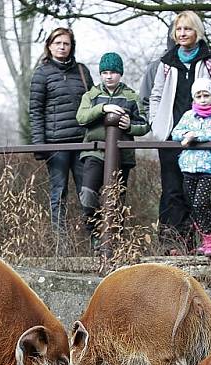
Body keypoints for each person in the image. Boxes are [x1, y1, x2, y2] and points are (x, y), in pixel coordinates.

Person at [149, 11, 211, 255]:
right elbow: (155, 95)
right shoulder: (167, 62)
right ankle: (174, 244)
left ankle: (198, 242)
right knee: (173, 189)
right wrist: (157, 124)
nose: (182, 33)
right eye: (179, 29)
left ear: (197, 31)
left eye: (187, 29)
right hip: (172, 136)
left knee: (196, 193)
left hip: (201, 139)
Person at [76, 52, 150, 251]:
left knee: (116, 199)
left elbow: (144, 125)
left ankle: (114, 242)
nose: (109, 76)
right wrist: (103, 108)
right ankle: (95, 233)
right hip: (94, 152)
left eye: (113, 72)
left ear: (120, 74)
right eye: (105, 72)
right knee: (88, 194)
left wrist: (129, 126)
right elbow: (81, 118)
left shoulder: (131, 97)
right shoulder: (91, 95)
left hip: (122, 157)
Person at [29, 27, 94, 247]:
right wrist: (40, 146)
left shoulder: (83, 72)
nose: (62, 47)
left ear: (71, 46)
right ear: (49, 46)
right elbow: (35, 111)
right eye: (57, 43)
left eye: (66, 43)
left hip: (82, 143)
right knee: (58, 194)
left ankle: (95, 241)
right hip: (55, 145)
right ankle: (61, 245)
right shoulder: (42, 73)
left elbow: (93, 105)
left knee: (88, 193)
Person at [171, 78, 211, 256]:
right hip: (189, 166)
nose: (203, 99)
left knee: (200, 202)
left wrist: (196, 135)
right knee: (193, 204)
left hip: (208, 168)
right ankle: (205, 239)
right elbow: (175, 133)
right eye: (199, 96)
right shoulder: (189, 115)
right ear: (194, 98)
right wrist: (187, 134)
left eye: (206, 95)